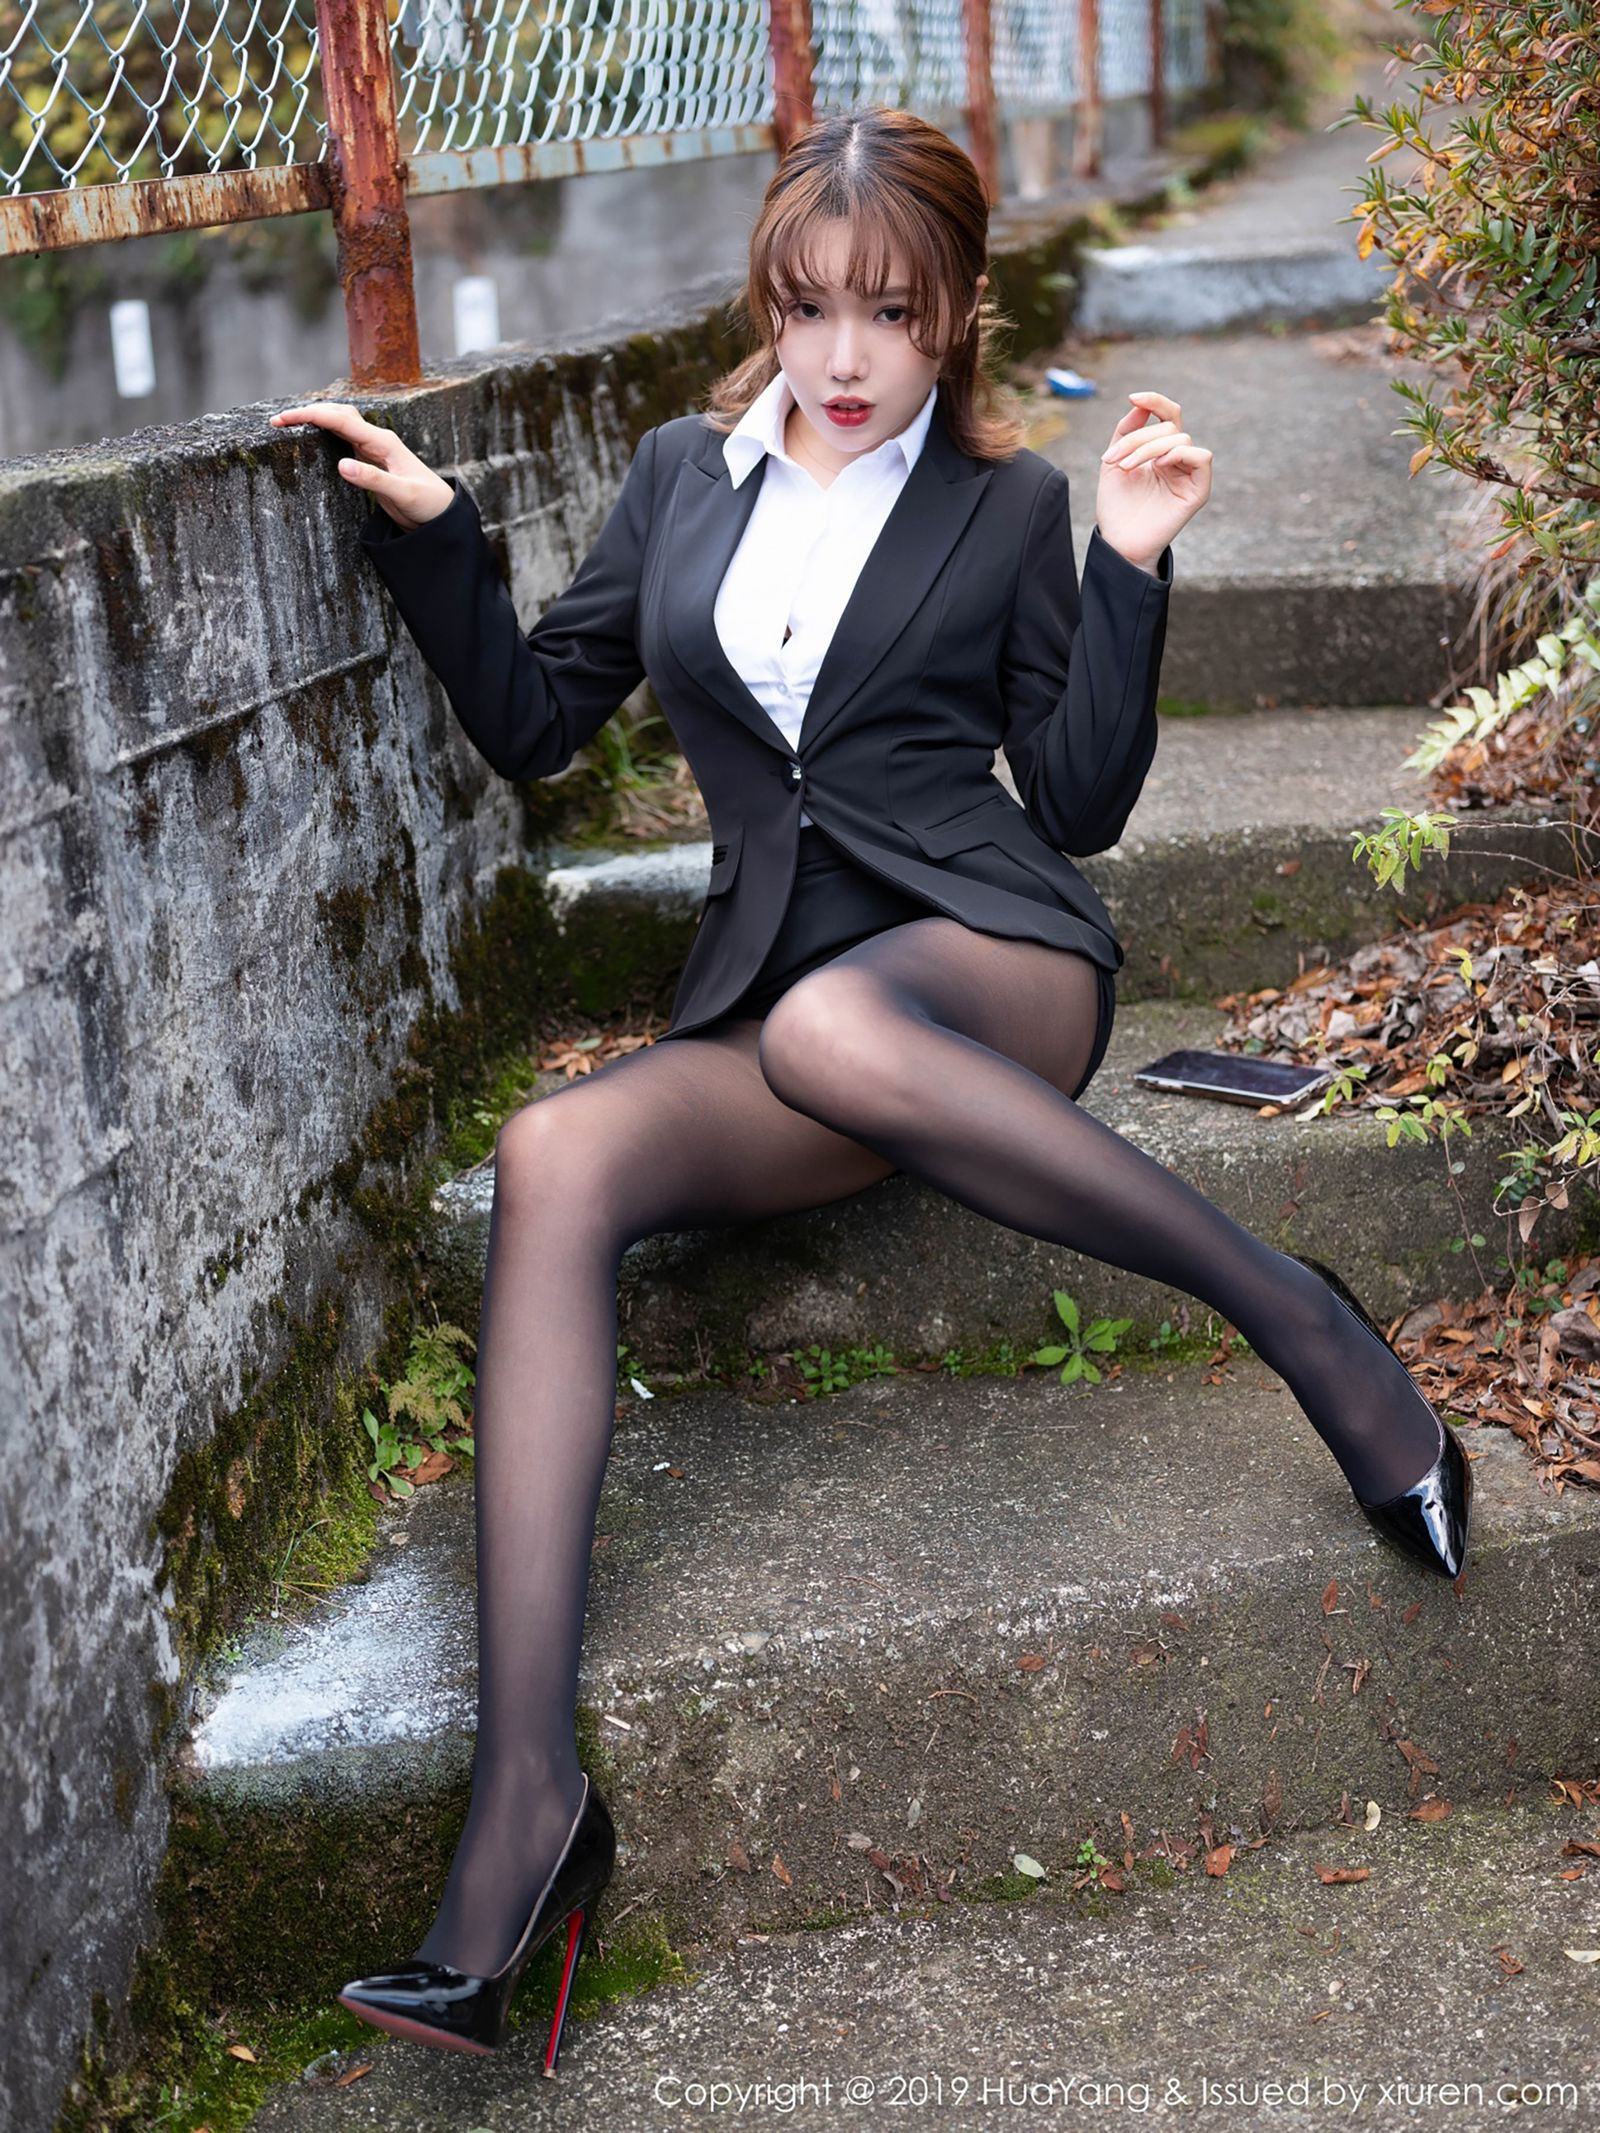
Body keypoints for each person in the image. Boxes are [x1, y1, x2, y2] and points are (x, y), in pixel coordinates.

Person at [270, 104, 1471, 2068]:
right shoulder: (681, 476)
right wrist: (438, 537)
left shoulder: (1001, 506)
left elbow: (1074, 801)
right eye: (809, 306)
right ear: (770, 302)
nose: (843, 357)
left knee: (836, 1028)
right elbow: (540, 722)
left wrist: (1129, 558)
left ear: (957, 315)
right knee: (554, 1148)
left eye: (890, 316)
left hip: (989, 959)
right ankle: (527, 1805)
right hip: (783, 995)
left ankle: (1302, 1321)